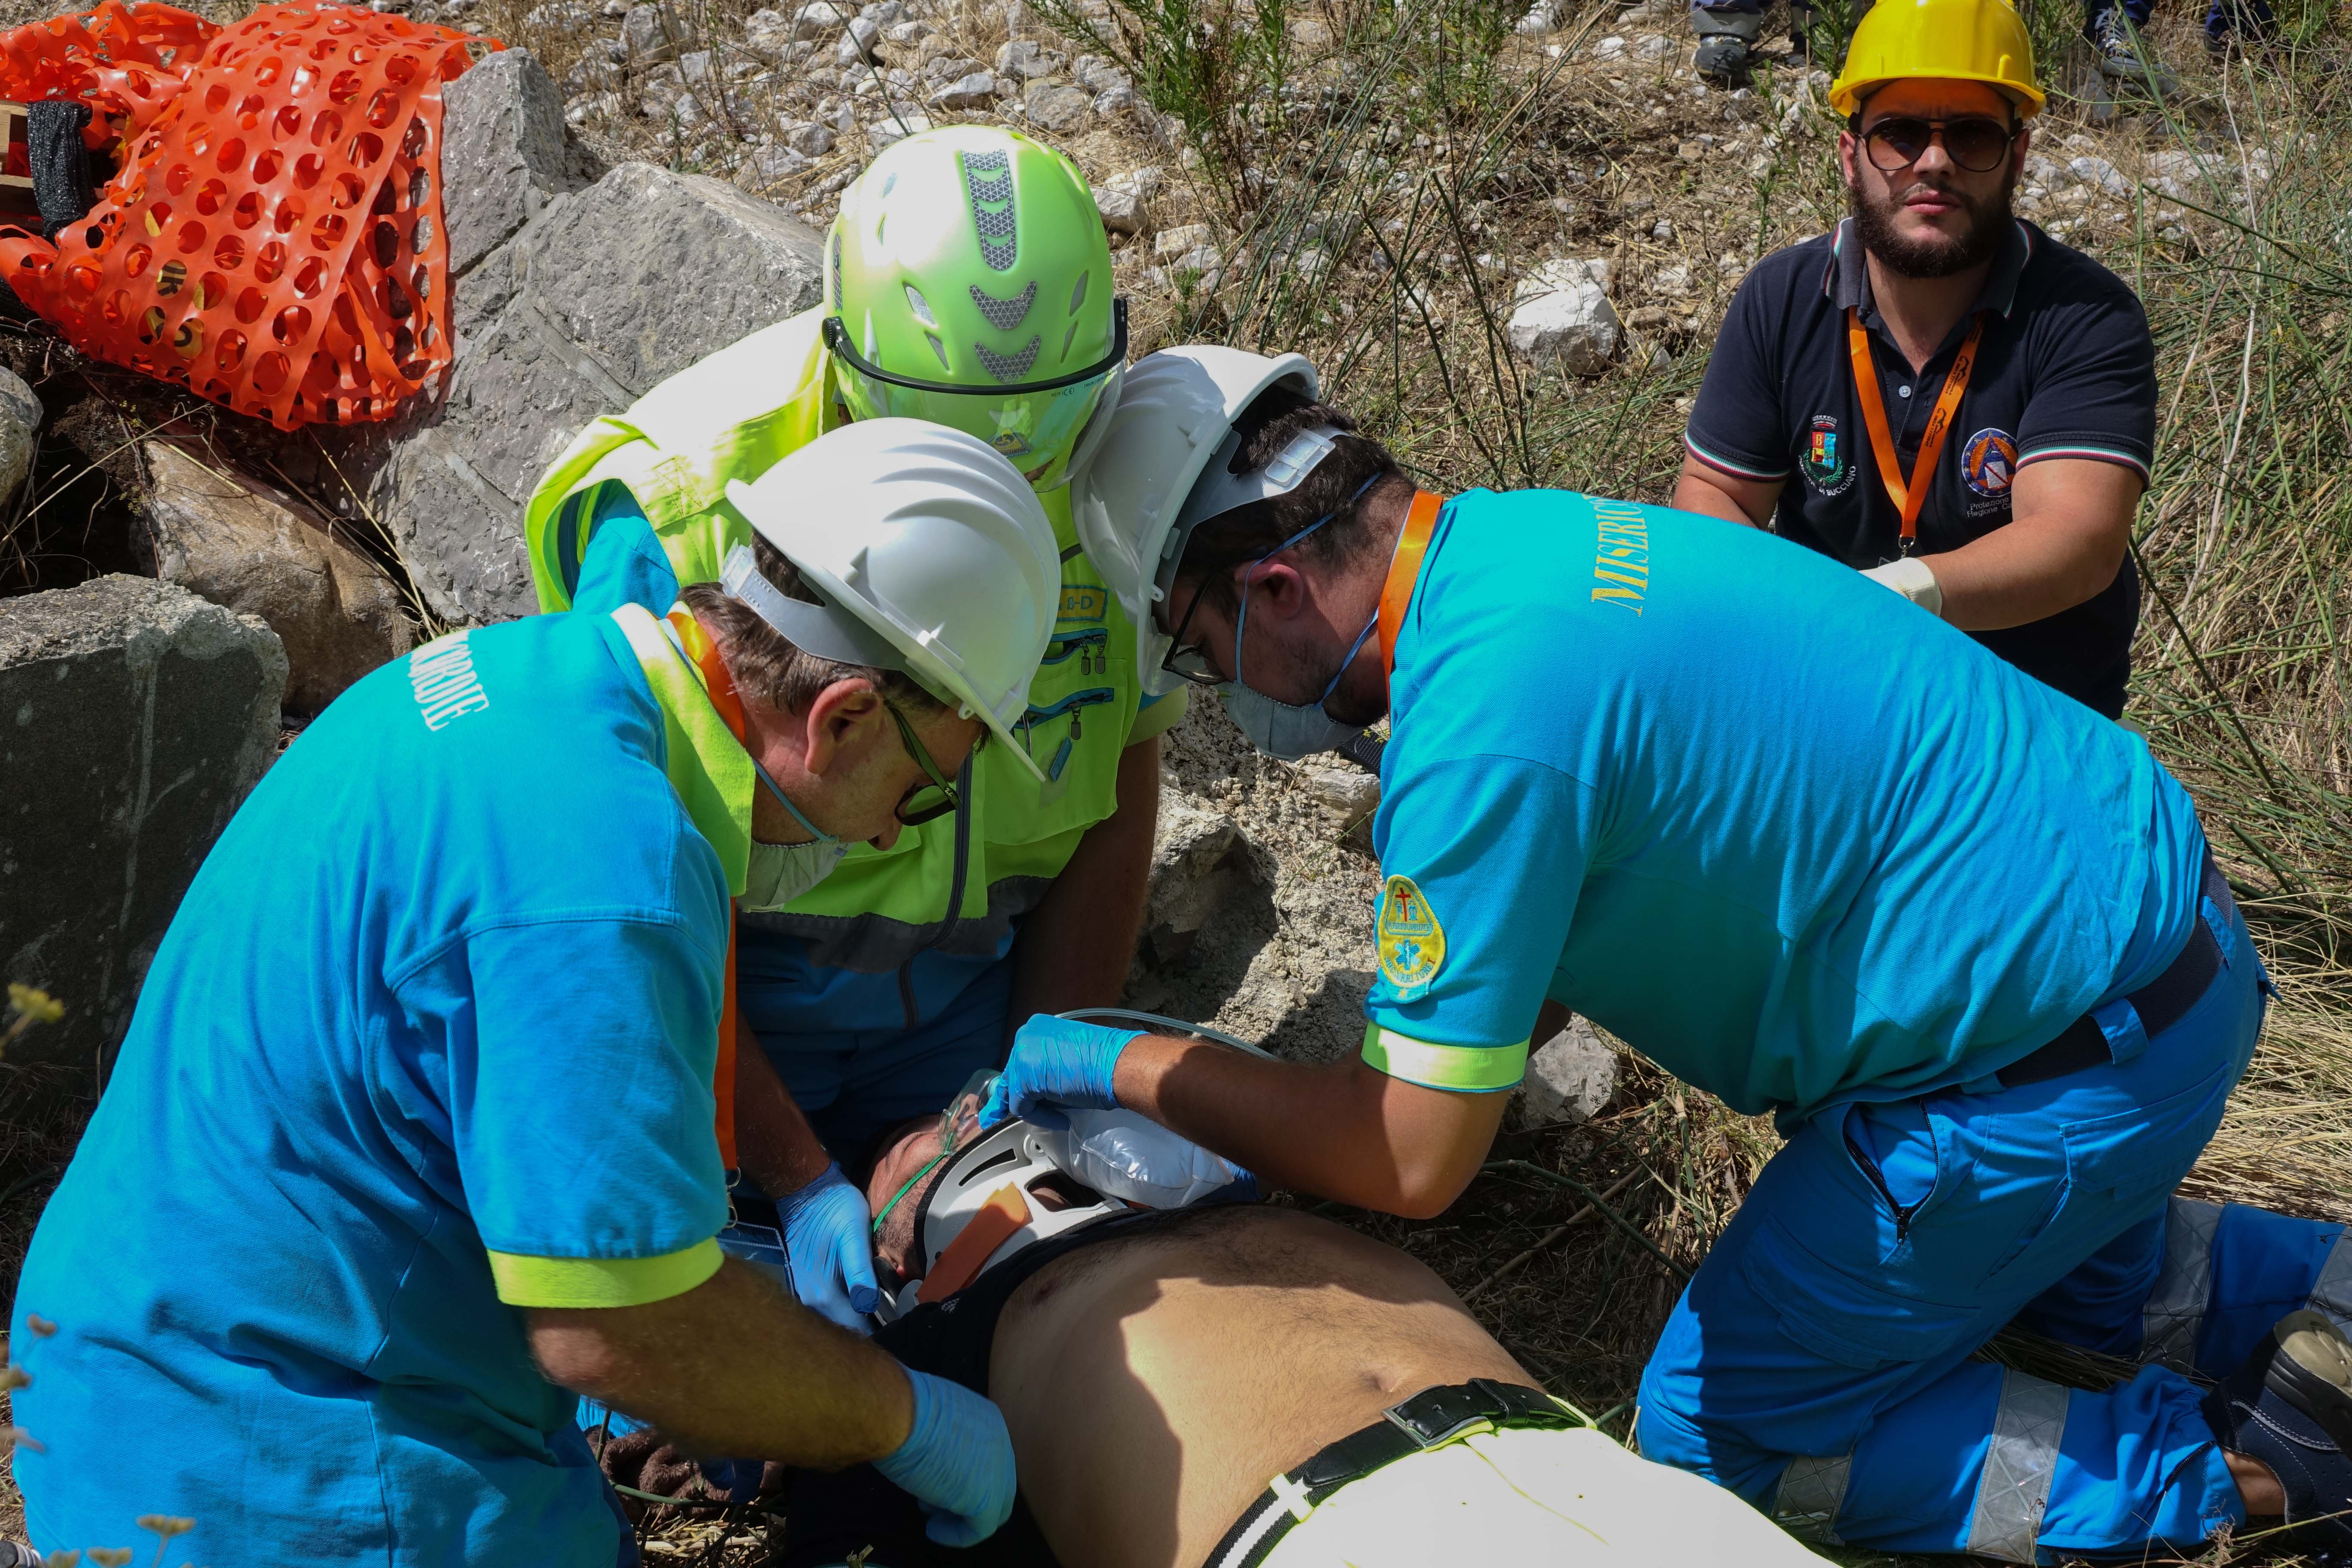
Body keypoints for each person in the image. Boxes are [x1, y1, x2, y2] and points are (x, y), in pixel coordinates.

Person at [987, 346, 2352, 1562]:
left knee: (1724, 1437)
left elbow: (1408, 1159)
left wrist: (1130, 1060)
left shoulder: (1480, 734)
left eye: (1199, 639)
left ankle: (2243, 1480)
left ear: (1274, 583)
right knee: (2075, 1268)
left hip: (2042, 1075)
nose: (1219, 682)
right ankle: (2319, 1295)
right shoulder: (1528, 546)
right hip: (2162, 962)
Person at [5, 420, 1056, 1566]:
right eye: (924, 793)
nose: (896, 832)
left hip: (130, 1355)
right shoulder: (607, 880)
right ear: (842, 715)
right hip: (284, 1470)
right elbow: (621, 1336)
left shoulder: (521, 683)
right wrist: (907, 1420)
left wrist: (793, 1197)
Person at [521, 124, 1182, 1332]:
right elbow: (625, 888)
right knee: (696, 1378)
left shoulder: (1121, 466)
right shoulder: (682, 499)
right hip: (724, 1009)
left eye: (1046, 424)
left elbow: (1122, 759)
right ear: (840, 352)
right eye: (958, 430)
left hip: (966, 1011)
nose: (1011, 468)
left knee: (1017, 1303)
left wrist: (1034, 1088)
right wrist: (796, 1177)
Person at [762, 1096, 1843, 1568]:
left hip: (1608, 1495)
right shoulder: (903, 1380)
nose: (971, 1113)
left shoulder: (1282, 1191)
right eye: (925, 1142)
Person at [1672, 0, 2158, 721]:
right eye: (1898, 134)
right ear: (1851, 155)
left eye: (1971, 135)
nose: (1934, 161)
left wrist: (1892, 596)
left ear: (2018, 158)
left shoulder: (2087, 317)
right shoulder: (1782, 297)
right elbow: (1718, 496)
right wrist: (1781, 622)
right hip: (1828, 696)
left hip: (2028, 722)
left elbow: (2076, 542)